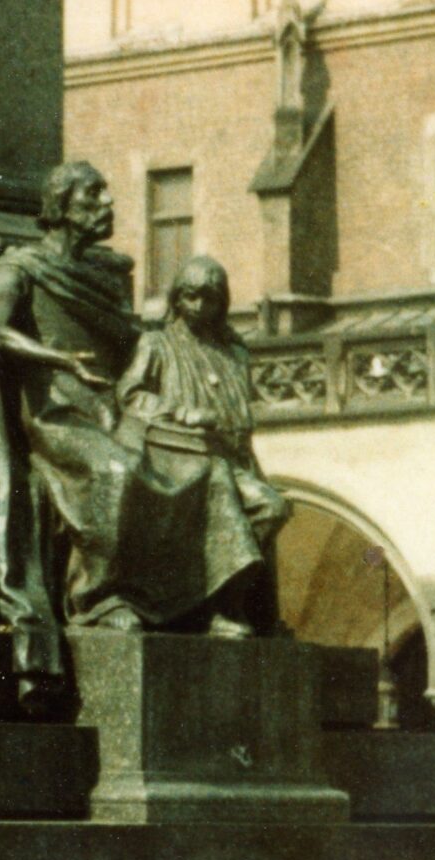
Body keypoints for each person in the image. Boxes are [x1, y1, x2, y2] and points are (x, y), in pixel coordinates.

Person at [0, 163, 272, 706]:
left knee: (203, 470)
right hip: (52, 412)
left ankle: (189, 602)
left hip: (108, 406)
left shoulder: (104, 276)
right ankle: (98, 598)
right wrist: (60, 360)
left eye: (105, 193)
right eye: (92, 195)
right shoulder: (17, 270)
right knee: (116, 470)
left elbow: (137, 347)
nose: (107, 203)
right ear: (60, 207)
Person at [113, 255, 290, 637]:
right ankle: (217, 609)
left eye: (209, 298)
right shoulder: (156, 343)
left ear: (221, 302)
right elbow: (130, 393)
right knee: (236, 498)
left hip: (231, 458)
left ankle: (223, 601)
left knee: (271, 507)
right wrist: (179, 411)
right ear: (176, 298)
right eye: (190, 296)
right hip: (176, 458)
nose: (198, 306)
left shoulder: (234, 352)